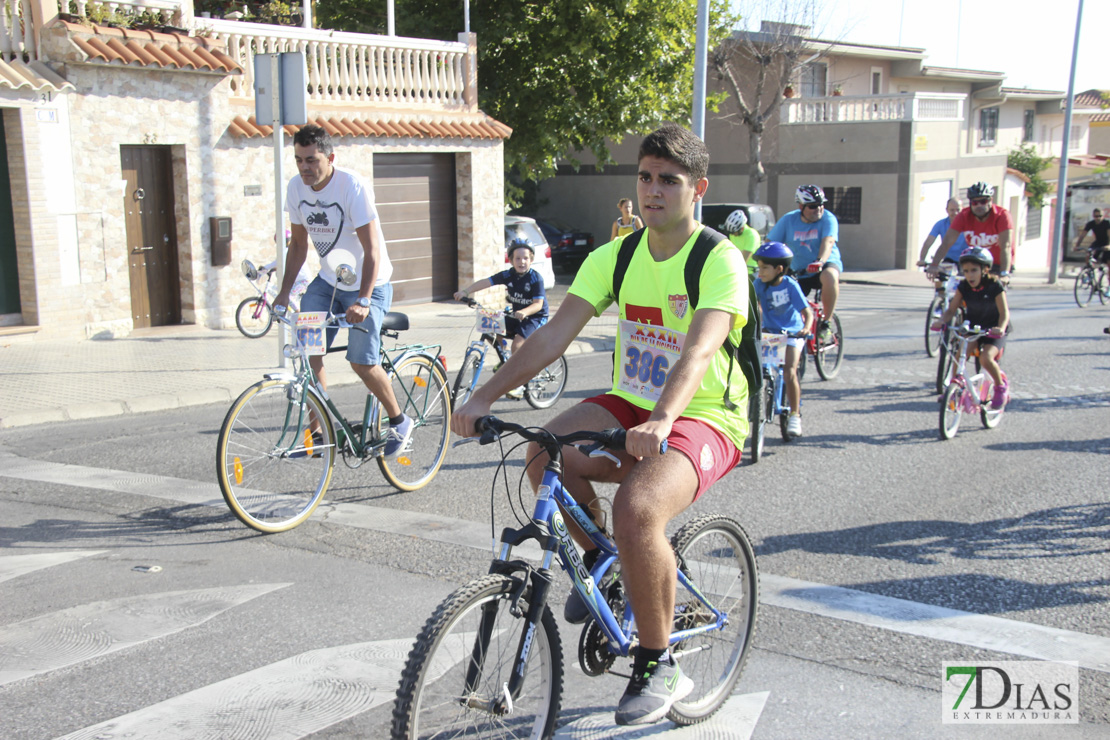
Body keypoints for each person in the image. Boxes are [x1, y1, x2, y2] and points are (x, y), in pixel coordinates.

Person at [452, 123, 749, 726]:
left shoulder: (718, 258)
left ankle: (657, 660)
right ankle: (608, 568)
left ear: (698, 189)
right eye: (645, 177)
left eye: (670, 180)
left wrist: (664, 418)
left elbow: (698, 350)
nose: (654, 190)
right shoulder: (614, 257)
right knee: (542, 453)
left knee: (638, 508)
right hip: (630, 401)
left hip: (706, 414)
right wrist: (479, 398)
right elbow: (553, 337)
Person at [273, 123, 413, 458]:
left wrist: (364, 299)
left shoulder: (352, 187)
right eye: (298, 160)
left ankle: (398, 420)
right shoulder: (295, 189)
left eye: (311, 160)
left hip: (370, 283)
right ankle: (319, 432)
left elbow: (373, 250)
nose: (304, 167)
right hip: (328, 283)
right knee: (308, 352)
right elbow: (298, 247)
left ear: (329, 157)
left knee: (361, 362)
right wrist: (283, 293)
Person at [453, 238, 550, 399]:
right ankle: (505, 359)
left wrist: (525, 312)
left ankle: (518, 385)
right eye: (517, 258)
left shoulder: (535, 278)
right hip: (518, 314)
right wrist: (466, 292)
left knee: (518, 344)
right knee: (492, 325)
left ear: (531, 259)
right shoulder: (508, 275)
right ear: (511, 260)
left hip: (535, 316)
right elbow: (487, 282)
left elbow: (538, 305)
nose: (522, 262)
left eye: (525, 258)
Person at [931, 246, 1011, 409]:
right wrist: (942, 321)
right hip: (974, 327)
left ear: (985, 269)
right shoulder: (964, 287)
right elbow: (952, 310)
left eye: (974, 270)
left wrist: (1000, 328)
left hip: (993, 329)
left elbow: (1004, 314)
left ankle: (1000, 387)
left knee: (985, 358)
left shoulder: (994, 285)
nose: (969, 275)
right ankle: (953, 391)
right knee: (960, 355)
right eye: (966, 271)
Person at [765, 184, 842, 341]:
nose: (818, 209)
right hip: (799, 270)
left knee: (830, 276)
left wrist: (819, 261)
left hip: (823, 265)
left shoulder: (828, 218)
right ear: (801, 206)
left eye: (821, 204)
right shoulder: (788, 220)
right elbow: (770, 244)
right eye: (813, 206)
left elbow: (828, 241)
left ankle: (826, 323)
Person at [753, 241, 813, 438]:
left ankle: (795, 414)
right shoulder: (759, 284)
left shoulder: (790, 285)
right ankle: (753, 409)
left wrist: (805, 328)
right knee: (759, 370)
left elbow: (807, 312)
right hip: (771, 334)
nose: (760, 272)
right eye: (758, 267)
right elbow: (752, 306)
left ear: (779, 269)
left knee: (789, 371)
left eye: (764, 268)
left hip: (792, 334)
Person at [926, 182, 1013, 284]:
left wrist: (1004, 274)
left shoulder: (1002, 215)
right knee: (961, 294)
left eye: (983, 201)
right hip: (974, 263)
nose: (979, 205)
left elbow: (1006, 246)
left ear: (991, 200)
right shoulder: (963, 216)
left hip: (998, 264)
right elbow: (946, 243)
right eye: (975, 203)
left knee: (995, 294)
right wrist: (934, 265)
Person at [916, 198, 968, 285]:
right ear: (946, 210)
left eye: (958, 210)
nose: (955, 213)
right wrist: (922, 259)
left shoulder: (968, 224)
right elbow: (928, 242)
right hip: (948, 260)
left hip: (966, 259)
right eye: (952, 210)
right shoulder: (940, 224)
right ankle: (940, 296)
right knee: (938, 275)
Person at [723, 208, 760, 276]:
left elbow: (745, 257)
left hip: (752, 272)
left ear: (741, 228)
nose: (733, 235)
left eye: (734, 232)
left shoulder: (751, 235)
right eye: (731, 233)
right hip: (739, 269)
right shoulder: (733, 235)